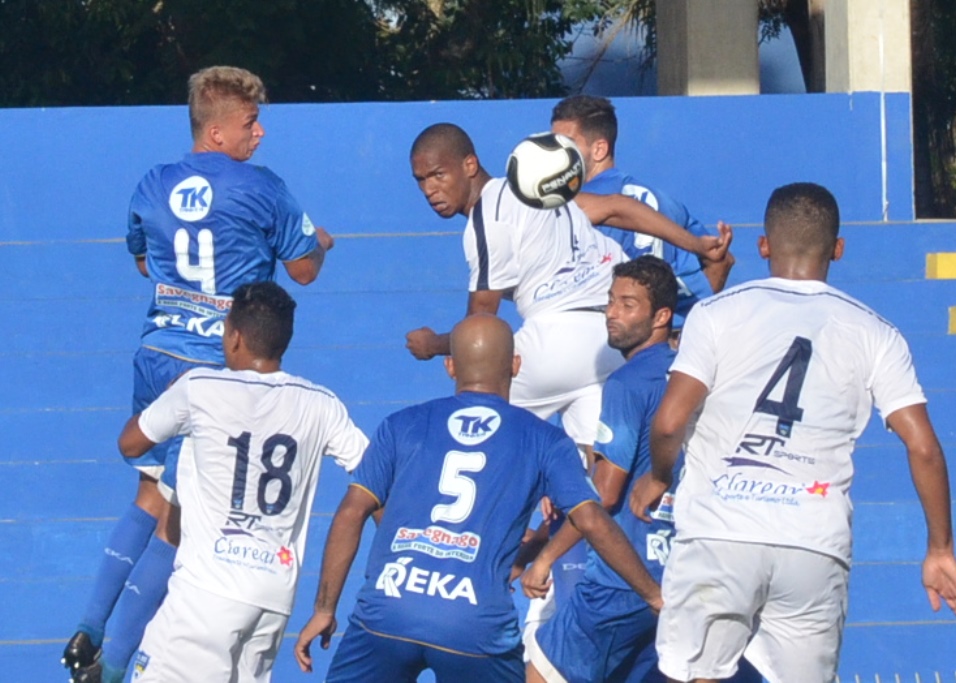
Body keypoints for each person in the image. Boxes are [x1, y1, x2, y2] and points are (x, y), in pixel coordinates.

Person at [630, 183, 956, 683]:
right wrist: (940, 548)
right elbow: (923, 447)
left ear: (763, 245)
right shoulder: (876, 332)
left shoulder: (715, 313)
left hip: (720, 529)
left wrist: (659, 476)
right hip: (812, 539)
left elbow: (670, 421)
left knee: (696, 674)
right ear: (837, 249)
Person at [63, 65, 334, 683]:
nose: (259, 134)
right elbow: (304, 272)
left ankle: (89, 624)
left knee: (148, 493)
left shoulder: (152, 182)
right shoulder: (262, 187)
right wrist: (320, 241)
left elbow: (142, 260)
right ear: (216, 132)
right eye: (249, 123)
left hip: (157, 351)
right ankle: (114, 666)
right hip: (216, 367)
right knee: (180, 521)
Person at [293, 314, 663, 683]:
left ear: (450, 367)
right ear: (515, 366)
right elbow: (593, 520)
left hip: (388, 612)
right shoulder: (545, 440)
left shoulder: (401, 424)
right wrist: (653, 596)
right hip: (473, 626)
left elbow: (350, 513)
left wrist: (324, 609)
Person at [405, 122, 730, 454]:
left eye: (438, 175)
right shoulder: (532, 188)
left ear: (469, 165)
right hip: (613, 341)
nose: (430, 189)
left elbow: (480, 329)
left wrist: (432, 344)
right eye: (421, 181)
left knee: (470, 426)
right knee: (596, 475)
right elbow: (617, 207)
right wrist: (695, 243)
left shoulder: (485, 221)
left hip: (557, 344)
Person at [120, 281, 367, 682]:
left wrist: (168, 399)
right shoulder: (322, 404)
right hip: (271, 600)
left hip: (206, 593)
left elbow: (130, 444)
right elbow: (374, 476)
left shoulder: (199, 387)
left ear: (234, 337)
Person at [521, 255, 680, 683]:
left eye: (628, 304)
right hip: (680, 572)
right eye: (610, 301)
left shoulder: (627, 384)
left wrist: (545, 556)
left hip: (621, 580)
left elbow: (605, 495)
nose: (612, 313)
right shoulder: (690, 378)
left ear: (661, 315)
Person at [550, 95, 734, 324]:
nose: (555, 153)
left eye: (566, 145)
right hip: (667, 339)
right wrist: (684, 330)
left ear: (599, 150)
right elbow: (722, 260)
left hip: (610, 341)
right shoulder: (667, 203)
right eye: (552, 144)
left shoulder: (577, 207)